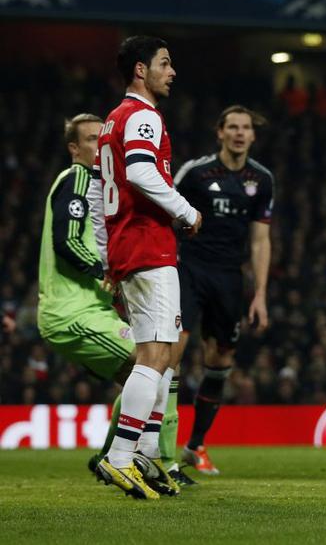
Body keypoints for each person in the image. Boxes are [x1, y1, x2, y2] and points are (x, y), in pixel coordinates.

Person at [90, 36, 201, 500]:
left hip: (127, 247)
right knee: (155, 355)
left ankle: (146, 452)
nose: (172, 72)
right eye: (165, 63)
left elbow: (97, 196)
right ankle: (120, 456)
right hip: (147, 244)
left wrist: (106, 258)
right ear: (141, 69)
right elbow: (139, 171)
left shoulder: (112, 120)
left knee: (162, 355)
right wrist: (186, 210)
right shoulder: (142, 116)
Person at [170, 105, 274, 477]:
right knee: (171, 353)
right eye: (232, 127)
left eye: (245, 128)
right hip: (188, 269)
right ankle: (153, 447)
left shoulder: (262, 179)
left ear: (253, 135)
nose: (239, 133)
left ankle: (194, 446)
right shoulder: (195, 173)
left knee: (220, 360)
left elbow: (260, 241)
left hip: (229, 277)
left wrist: (259, 294)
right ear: (220, 132)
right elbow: (165, 213)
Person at [38, 114, 140, 470]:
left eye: (104, 139)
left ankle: (114, 458)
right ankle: (121, 457)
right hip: (72, 312)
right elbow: (66, 240)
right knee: (149, 365)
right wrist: (103, 272)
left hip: (92, 310)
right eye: (92, 139)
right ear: (74, 148)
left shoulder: (98, 188)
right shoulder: (78, 177)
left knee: (143, 380)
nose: (101, 146)